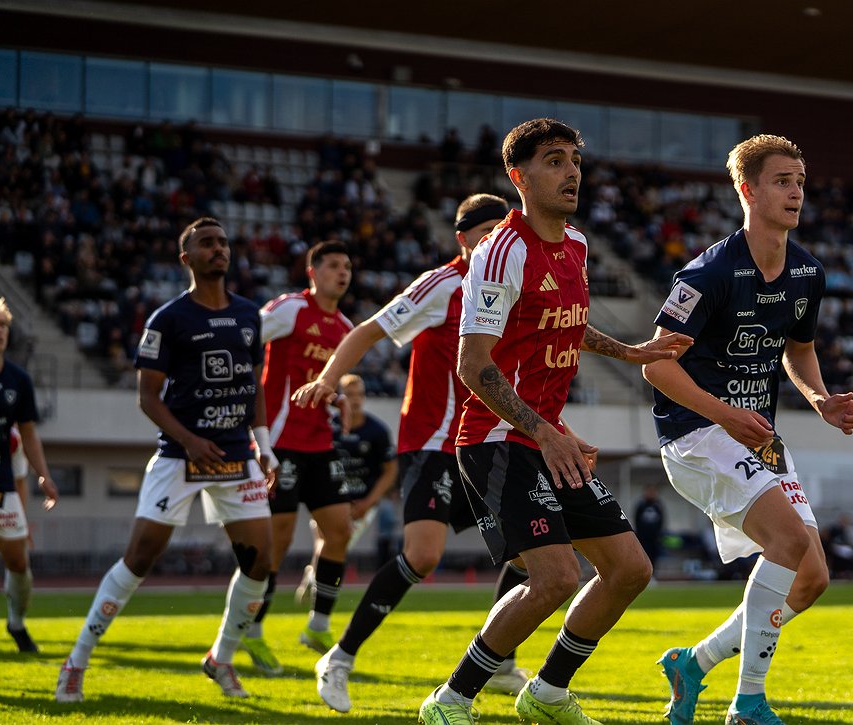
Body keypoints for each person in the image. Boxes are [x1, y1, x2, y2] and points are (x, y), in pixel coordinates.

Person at [418, 118, 691, 724]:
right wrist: (544, 429)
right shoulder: (501, 250)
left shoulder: (577, 245)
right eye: (553, 160)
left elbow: (565, 324)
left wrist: (633, 352)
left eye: (573, 160)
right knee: (556, 576)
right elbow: (473, 365)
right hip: (494, 438)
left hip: (544, 437)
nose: (570, 172)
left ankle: (545, 694)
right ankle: (450, 701)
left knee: (629, 569)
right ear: (518, 176)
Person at [642, 134, 853, 725]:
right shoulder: (709, 272)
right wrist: (722, 412)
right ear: (747, 189)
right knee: (791, 545)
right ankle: (747, 703)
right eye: (781, 180)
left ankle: (693, 663)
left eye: (799, 180)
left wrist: (820, 401)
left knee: (813, 576)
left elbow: (799, 349)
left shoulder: (808, 272)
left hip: (754, 436)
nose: (795, 191)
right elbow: (656, 363)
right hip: (694, 434)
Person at [294, 193, 536, 713]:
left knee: (529, 553)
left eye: (502, 231)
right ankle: (338, 657)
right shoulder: (443, 284)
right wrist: (329, 377)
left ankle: (498, 663)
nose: (496, 240)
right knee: (423, 556)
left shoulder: (512, 282)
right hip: (433, 442)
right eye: (485, 232)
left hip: (490, 442)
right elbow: (368, 330)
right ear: (462, 239)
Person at [55, 217, 275, 702]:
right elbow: (148, 398)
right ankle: (77, 660)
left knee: (261, 562)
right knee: (139, 558)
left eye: (222, 242)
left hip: (237, 456)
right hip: (180, 456)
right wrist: (190, 440)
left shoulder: (248, 315)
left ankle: (221, 659)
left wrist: (264, 442)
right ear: (186, 258)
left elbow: (253, 383)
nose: (218, 249)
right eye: (206, 243)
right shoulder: (167, 319)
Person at [240, 241, 354, 675]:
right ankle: (251, 630)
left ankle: (318, 624)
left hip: (320, 444)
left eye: (347, 267)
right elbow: (248, 335)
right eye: (333, 266)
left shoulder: (344, 326)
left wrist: (338, 398)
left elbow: (322, 382)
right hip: (281, 443)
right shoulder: (290, 310)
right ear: (313, 271)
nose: (342, 273)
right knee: (276, 543)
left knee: (340, 529)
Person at [294, 372, 398, 607]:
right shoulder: (328, 428)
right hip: (329, 499)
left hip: (361, 504)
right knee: (327, 543)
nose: (356, 400)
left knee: (334, 546)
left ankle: (314, 578)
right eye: (349, 394)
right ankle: (320, 596)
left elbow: (390, 470)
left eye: (360, 394)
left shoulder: (377, 431)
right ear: (338, 397)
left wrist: (368, 502)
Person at [0, 299, 60, 653]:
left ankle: (16, 622)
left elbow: (29, 434)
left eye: (3, 326)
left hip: (3, 488)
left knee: (19, 564)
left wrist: (44, 476)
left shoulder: (18, 380)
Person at [634, 484, 667, 572]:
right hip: (643, 536)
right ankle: (644, 572)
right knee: (644, 555)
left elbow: (661, 520)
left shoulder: (658, 505)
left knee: (654, 555)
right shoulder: (641, 505)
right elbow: (636, 520)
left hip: (654, 537)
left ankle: (653, 573)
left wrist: (659, 533)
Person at [823, 513, 853, 580]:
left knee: (849, 552)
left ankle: (847, 571)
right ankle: (837, 571)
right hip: (834, 546)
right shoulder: (834, 529)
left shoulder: (844, 530)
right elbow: (827, 535)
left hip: (840, 547)